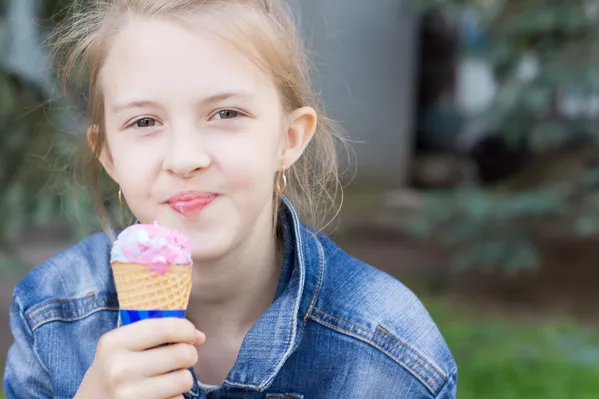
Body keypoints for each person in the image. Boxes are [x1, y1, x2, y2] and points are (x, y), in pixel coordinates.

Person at [2, 0, 457, 398]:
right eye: (144, 122)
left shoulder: (390, 351)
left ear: (289, 138)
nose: (184, 158)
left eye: (225, 113)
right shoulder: (52, 316)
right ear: (109, 157)